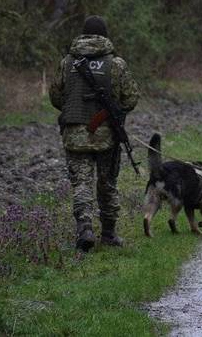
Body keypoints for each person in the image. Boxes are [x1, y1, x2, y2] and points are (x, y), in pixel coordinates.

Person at [50, 16, 140, 252]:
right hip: (106, 136)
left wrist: (75, 108)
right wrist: (113, 112)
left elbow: (56, 97)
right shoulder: (116, 64)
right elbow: (131, 98)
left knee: (81, 183)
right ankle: (109, 235)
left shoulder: (67, 62)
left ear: (83, 35)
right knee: (107, 183)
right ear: (105, 36)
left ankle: (85, 229)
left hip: (74, 134)